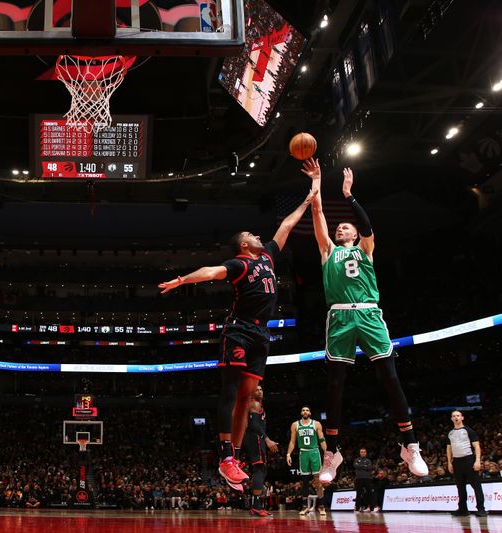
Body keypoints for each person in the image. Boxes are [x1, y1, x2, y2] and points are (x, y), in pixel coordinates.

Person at [159, 189, 318, 490]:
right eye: (251, 234)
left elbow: (285, 226)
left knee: (247, 399)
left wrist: (308, 200)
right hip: (239, 330)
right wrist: (182, 280)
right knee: (230, 393)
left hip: (261, 334)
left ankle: (232, 459)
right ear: (244, 245)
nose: (258, 235)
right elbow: (211, 271)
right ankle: (225, 457)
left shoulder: (269, 256)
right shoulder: (240, 264)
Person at [303, 160, 428, 483]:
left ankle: (409, 444)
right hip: (341, 315)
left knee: (390, 376)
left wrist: (349, 196)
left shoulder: (366, 248)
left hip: (370, 313)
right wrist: (316, 184)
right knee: (335, 384)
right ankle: (332, 453)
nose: (340, 229)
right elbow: (317, 216)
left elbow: (368, 227)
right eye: (339, 227)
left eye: (346, 227)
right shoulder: (328, 251)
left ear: (356, 233)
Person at [241, 384, 278, 517]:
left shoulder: (257, 405)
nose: (260, 391)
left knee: (262, 470)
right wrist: (267, 439)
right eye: (256, 389)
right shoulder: (255, 404)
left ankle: (256, 504)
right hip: (255, 437)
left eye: (261, 389)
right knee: (259, 469)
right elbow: (254, 424)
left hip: (255, 438)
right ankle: (256, 506)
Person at [286, 406, 327, 516]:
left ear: (310, 412)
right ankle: (305, 507)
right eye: (303, 410)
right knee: (304, 482)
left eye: (307, 410)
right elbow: (292, 441)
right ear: (301, 412)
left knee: (317, 480)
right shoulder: (295, 425)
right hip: (303, 453)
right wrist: (288, 454)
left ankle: (322, 506)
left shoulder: (316, 424)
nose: (305, 411)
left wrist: (327, 453)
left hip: (314, 452)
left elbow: (322, 439)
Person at [446, 410, 486, 517]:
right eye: (453, 416)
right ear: (451, 419)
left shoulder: (469, 431)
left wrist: (477, 460)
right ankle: (463, 509)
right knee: (460, 487)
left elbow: (477, 446)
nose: (456, 417)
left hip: (469, 460)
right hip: (457, 462)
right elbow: (449, 449)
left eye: (458, 415)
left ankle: (481, 509)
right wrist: (449, 462)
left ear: (462, 417)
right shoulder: (450, 433)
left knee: (476, 485)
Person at [353, 447, 373, 512]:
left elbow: (369, 467)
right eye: (361, 452)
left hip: (367, 478)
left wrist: (360, 466)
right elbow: (355, 466)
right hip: (358, 478)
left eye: (364, 452)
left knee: (369, 493)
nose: (363, 453)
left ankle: (370, 507)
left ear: (366, 453)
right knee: (358, 493)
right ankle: (357, 508)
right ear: (360, 453)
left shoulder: (368, 460)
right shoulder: (356, 460)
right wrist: (364, 466)